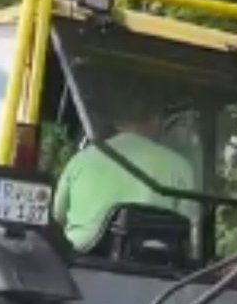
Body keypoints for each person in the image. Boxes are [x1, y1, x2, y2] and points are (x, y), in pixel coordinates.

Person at [51, 91, 198, 253]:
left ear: (116, 121)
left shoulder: (81, 160)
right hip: (154, 266)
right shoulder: (179, 166)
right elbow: (189, 226)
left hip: (79, 261)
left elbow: (57, 218)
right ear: (156, 119)